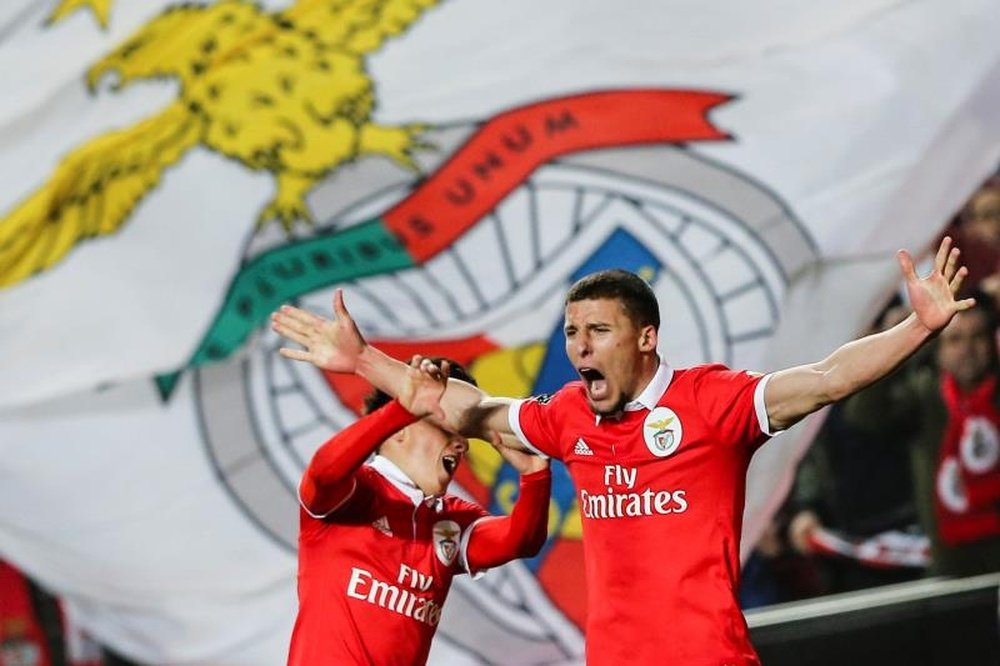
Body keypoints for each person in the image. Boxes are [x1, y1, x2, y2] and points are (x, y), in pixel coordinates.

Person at [272, 236, 973, 665]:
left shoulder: (713, 404)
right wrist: (364, 360)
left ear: (644, 339)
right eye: (572, 332)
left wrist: (916, 328)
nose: (578, 347)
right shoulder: (569, 413)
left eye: (597, 330)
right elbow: (465, 407)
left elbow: (824, 380)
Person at [286, 356, 551, 666]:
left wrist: (535, 475)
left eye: (463, 433)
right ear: (400, 429)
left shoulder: (451, 519)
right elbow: (321, 473)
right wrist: (400, 409)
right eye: (447, 425)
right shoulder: (353, 492)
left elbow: (521, 540)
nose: (462, 445)